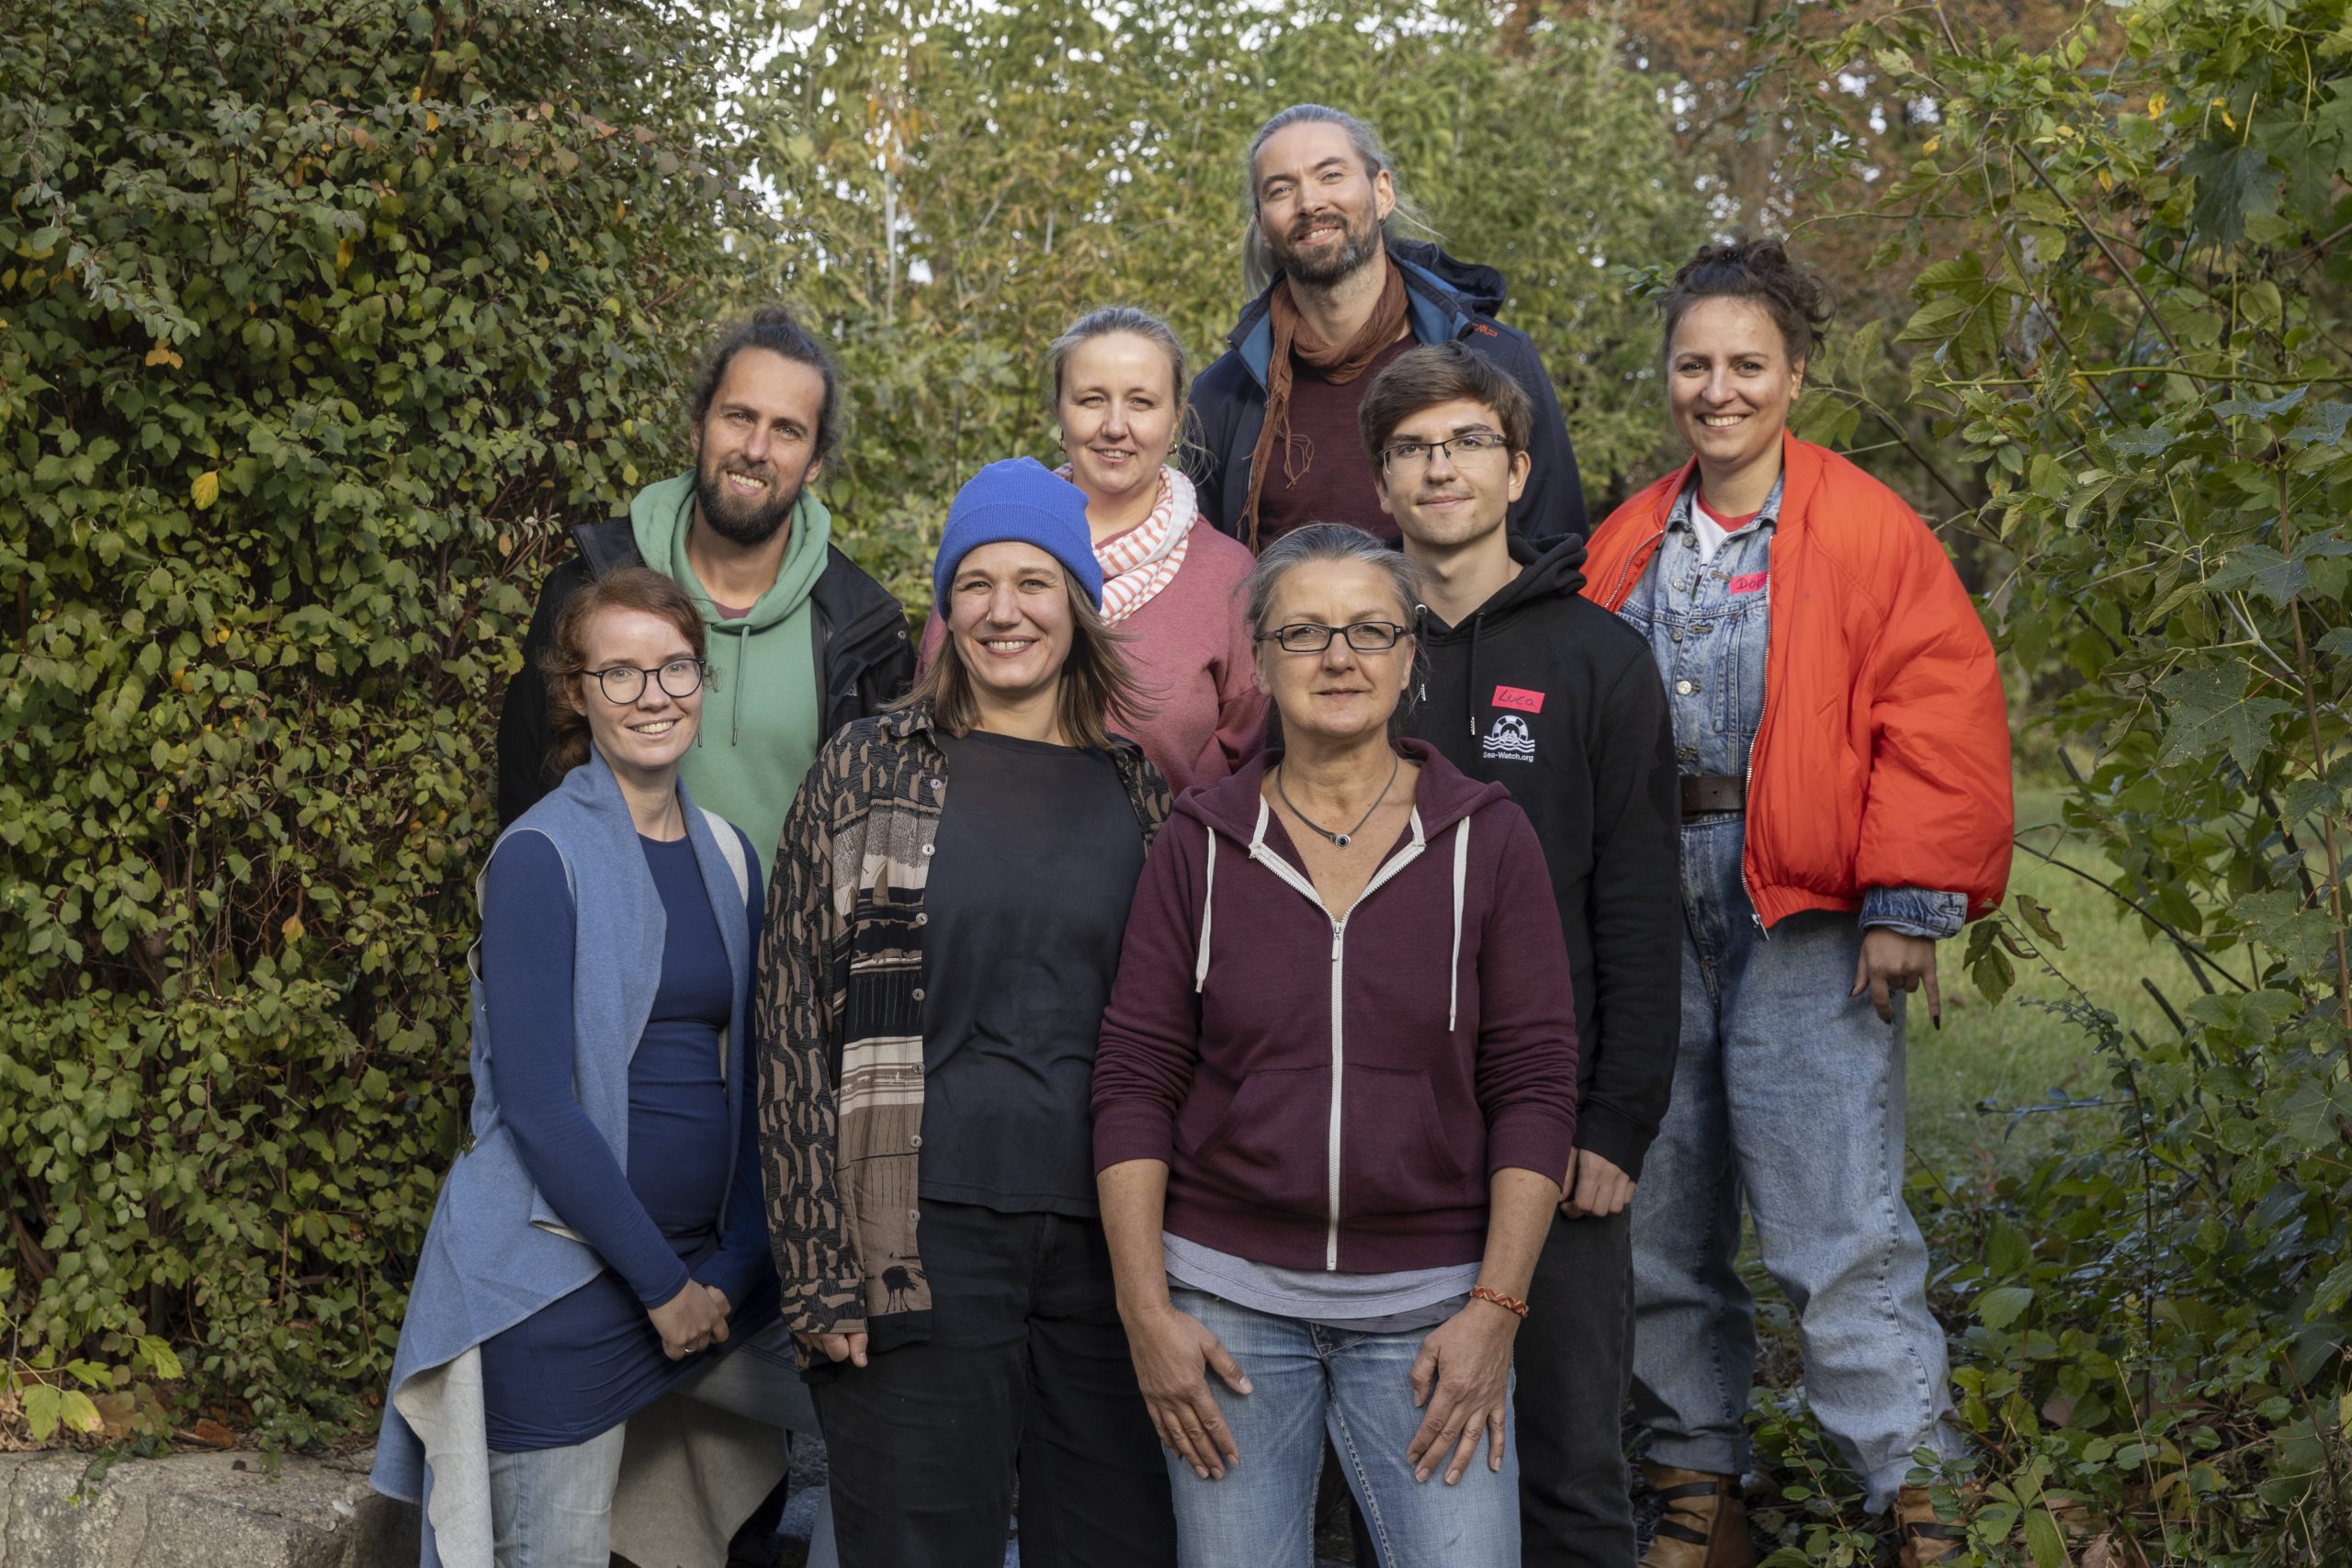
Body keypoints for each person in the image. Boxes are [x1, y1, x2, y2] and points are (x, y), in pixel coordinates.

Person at [1577, 241, 2013, 1568]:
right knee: (1660, 1212)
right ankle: (1698, 1481)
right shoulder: (1625, 538)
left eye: (1746, 364)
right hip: (1655, 907)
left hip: (1807, 913)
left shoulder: (1867, 528)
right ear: (1669, 377)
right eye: (1695, 364)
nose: (1718, 389)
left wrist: (1905, 898)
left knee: (1838, 1218)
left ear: (1796, 375)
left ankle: (1910, 1491)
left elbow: (1935, 710)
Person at [1091, 524, 1581, 1568]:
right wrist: (1146, 1312)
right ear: (1259, 657)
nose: (1339, 657)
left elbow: (1535, 1086)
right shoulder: (1200, 842)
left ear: (1410, 658)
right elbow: (1135, 1078)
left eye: (1369, 629)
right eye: (1304, 631)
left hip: (1432, 1315)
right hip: (1224, 1312)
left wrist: (1494, 1312)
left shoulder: (1487, 840)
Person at [757, 458, 1180, 1568]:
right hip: (913, 1239)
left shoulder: (1139, 793)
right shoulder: (865, 769)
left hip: (1106, 1251)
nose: (1004, 611)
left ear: (1078, 605)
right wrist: (814, 1267)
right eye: (976, 583)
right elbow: (790, 1028)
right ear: (946, 606)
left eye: (1034, 582)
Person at [374, 568, 805, 1568]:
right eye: (621, 673)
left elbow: (755, 1096)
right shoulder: (538, 859)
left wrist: (735, 1269)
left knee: (893, 1420)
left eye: (675, 668)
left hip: (713, 1280)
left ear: (704, 681)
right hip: (563, 1292)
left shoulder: (733, 857)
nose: (653, 694)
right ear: (576, 692)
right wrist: (664, 1288)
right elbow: (539, 1107)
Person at [1362, 341, 1680, 1566]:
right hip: (1377, 1129)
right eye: (1412, 448)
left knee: (1566, 1461)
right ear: (1382, 482)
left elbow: (1644, 909)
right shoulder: (1345, 649)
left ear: (1518, 468)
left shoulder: (1600, 660)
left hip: (1554, 1139)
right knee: (1387, 1457)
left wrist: (1617, 1122)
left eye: (1466, 443)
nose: (1440, 467)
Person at [495, 306, 915, 883]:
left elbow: (882, 852)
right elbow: (526, 792)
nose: (757, 448)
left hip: (786, 969)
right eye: (739, 416)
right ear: (699, 427)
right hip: (610, 960)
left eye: (787, 430)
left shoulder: (863, 631)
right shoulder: (587, 590)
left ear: (815, 461)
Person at [1189, 104, 1586, 551]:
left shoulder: (1497, 360)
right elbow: (1209, 577)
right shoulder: (1222, 397)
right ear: (1262, 225)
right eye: (1281, 190)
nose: (1310, 203)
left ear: (1382, 193)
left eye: (1331, 175)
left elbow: (1556, 555)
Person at [919, 306, 1265, 792]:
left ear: (1176, 420)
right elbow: (930, 713)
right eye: (1091, 400)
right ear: (1061, 413)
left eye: (1141, 402)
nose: (1115, 426)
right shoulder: (990, 541)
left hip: (1163, 863)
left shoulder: (1229, 577)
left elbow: (1251, 767)